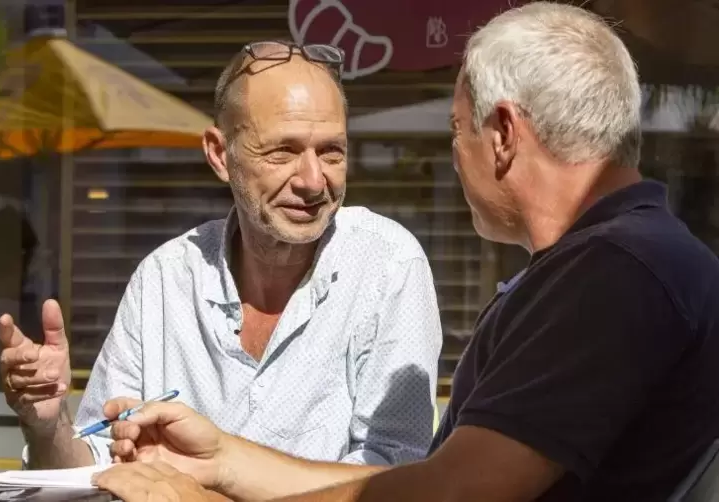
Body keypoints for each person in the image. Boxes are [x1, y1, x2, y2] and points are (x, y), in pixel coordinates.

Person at [92, 3, 719, 502]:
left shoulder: (617, 272)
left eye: (455, 128)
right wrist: (223, 459)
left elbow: (454, 492)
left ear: (501, 135)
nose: (453, 156)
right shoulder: (621, 261)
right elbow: (414, 484)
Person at [0, 40, 442, 471]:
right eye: (282, 151)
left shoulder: (387, 265)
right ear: (219, 154)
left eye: (331, 152)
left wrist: (215, 477)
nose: (312, 180)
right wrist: (48, 424)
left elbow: (399, 474)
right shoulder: (165, 279)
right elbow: (96, 465)